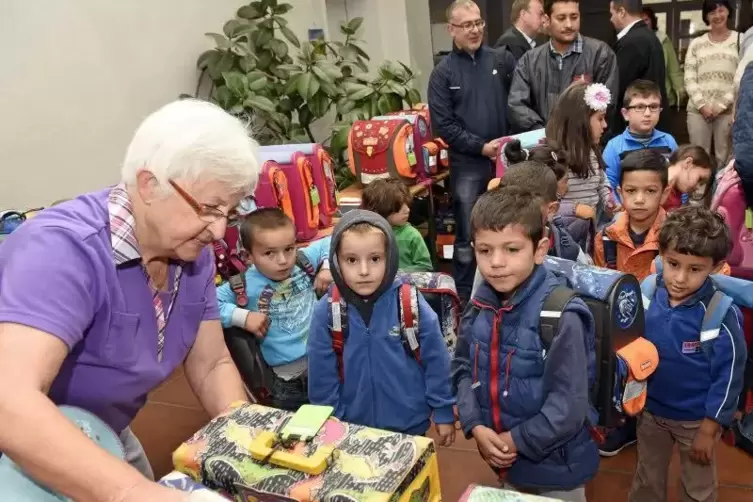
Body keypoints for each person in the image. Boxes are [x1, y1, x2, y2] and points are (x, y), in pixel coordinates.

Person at [0, 100, 259, 501]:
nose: (220, 229)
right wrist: (133, 492)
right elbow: (10, 403)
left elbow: (212, 364)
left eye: (230, 210)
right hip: (25, 457)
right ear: (148, 185)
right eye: (208, 208)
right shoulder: (59, 250)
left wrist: (250, 449)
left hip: (106, 433)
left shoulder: (192, 253)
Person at [453, 187, 598, 502]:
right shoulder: (479, 303)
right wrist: (475, 424)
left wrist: (515, 440)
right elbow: (462, 367)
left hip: (557, 472)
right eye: (485, 250)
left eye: (511, 249)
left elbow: (568, 406)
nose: (496, 263)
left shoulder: (561, 315)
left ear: (540, 249)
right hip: (503, 458)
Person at [629, 206, 747, 502]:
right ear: (661, 257)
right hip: (650, 413)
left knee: (698, 488)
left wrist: (711, 427)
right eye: (673, 264)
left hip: (696, 422)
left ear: (717, 267)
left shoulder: (720, 314)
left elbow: (730, 375)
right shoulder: (646, 293)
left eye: (695, 269)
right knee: (646, 478)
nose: (680, 278)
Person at [307, 210, 456, 441]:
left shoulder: (410, 303)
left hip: (410, 425)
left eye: (375, 259)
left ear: (390, 258)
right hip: (350, 430)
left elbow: (436, 360)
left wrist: (444, 411)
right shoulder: (328, 311)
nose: (364, 271)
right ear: (337, 261)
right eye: (351, 260)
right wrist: (332, 420)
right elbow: (321, 375)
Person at [428, 0, 516, 303]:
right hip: (468, 165)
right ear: (451, 29)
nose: (476, 29)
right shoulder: (443, 73)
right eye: (467, 25)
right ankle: (464, 299)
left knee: (510, 227)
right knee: (467, 233)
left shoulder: (502, 61)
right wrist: (481, 147)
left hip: (506, 162)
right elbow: (444, 126)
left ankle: (509, 291)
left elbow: (517, 104)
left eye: (478, 22)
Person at [216, 208, 332, 411]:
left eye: (289, 248)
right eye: (269, 253)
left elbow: (334, 240)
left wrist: (326, 268)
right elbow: (208, 304)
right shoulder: (244, 284)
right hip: (287, 383)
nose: (283, 260)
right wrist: (243, 317)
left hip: (325, 365)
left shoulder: (302, 262)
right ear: (248, 256)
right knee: (294, 434)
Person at [508, 0, 619, 133]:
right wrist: (545, 133)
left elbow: (608, 103)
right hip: (543, 146)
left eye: (574, 17)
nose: (569, 24)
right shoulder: (529, 61)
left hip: (587, 145)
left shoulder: (600, 54)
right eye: (561, 18)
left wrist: (578, 136)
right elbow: (517, 104)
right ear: (547, 20)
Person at [546, 81, 617, 248]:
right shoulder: (554, 159)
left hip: (588, 233)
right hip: (561, 239)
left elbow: (601, 180)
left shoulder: (593, 152)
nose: (605, 125)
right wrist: (574, 208)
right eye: (600, 118)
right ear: (580, 121)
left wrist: (608, 200)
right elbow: (541, 203)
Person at [594, 149, 668, 282]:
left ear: (664, 194)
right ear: (620, 193)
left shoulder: (679, 236)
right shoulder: (605, 238)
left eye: (650, 191)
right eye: (631, 191)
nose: (639, 199)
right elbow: (599, 285)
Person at [685, 0, 739, 168]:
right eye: (712, 12)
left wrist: (721, 105)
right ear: (706, 16)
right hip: (698, 112)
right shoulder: (696, 44)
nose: (717, 16)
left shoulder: (740, 40)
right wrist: (702, 105)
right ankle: (698, 194)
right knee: (699, 159)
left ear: (728, 12)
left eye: (721, 10)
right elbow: (689, 77)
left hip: (728, 112)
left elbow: (741, 76)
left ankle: (722, 194)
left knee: (726, 159)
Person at [603, 80, 679, 190]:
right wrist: (619, 205)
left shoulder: (668, 141)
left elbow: (678, 179)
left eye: (653, 107)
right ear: (625, 114)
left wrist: (679, 206)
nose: (647, 113)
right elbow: (609, 185)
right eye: (639, 107)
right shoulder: (614, 146)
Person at [608, 0, 669, 136]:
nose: (611, 19)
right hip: (650, 120)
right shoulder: (648, 36)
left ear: (622, 12)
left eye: (612, 14)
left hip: (636, 126)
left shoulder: (633, 41)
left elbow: (619, 85)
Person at [360, 178, 433, 272]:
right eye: (399, 208)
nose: (407, 210)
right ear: (382, 210)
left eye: (407, 204)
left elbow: (425, 266)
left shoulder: (412, 235)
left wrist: (397, 274)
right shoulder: (367, 234)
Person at [642, 7, 686, 108]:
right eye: (641, 21)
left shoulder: (663, 39)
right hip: (641, 97)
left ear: (652, 21)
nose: (644, 24)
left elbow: (673, 68)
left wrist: (680, 91)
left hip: (662, 95)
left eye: (646, 20)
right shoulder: (632, 41)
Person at [663, 145, 715, 211]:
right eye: (700, 179)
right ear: (688, 163)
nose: (697, 187)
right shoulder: (658, 186)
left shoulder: (676, 192)